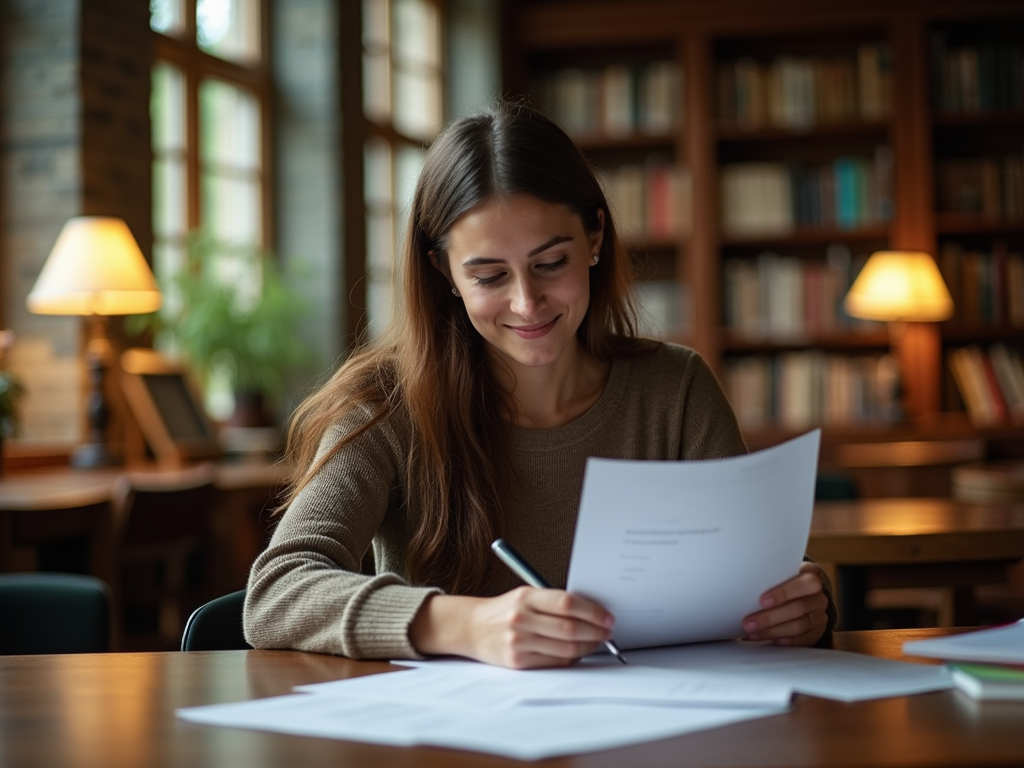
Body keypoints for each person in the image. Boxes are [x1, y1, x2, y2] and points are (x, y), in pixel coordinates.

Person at [244, 101, 836, 668]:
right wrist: (467, 626)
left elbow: (755, 571)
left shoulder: (675, 389)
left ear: (595, 239)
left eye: (551, 263)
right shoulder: (384, 405)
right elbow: (276, 592)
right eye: (490, 275)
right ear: (443, 271)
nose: (527, 303)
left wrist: (802, 604)